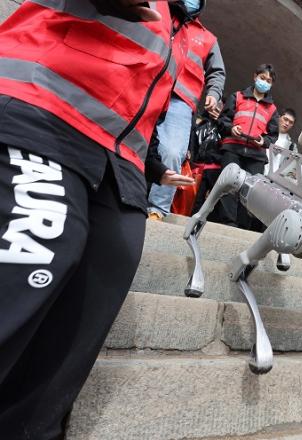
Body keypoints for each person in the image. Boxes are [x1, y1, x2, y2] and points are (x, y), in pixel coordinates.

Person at [0, 1, 195, 437]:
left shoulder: (179, 28)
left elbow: (132, 96)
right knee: (43, 248)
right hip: (42, 112)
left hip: (119, 163)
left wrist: (154, 167)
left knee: (99, 287)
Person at [147, 0, 225, 221]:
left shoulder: (208, 38)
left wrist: (214, 93)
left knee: (172, 152)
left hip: (180, 100)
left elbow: (217, 73)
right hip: (149, 86)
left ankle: (156, 209)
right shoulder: (160, 14)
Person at [215, 64, 280, 230]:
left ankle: (243, 226)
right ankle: (227, 223)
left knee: (250, 191)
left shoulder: (272, 109)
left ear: (272, 85)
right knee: (228, 186)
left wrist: (263, 141)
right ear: (255, 76)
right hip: (233, 149)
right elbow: (222, 120)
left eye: (269, 81)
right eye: (262, 78)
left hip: (255, 155)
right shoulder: (237, 97)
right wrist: (231, 129)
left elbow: (273, 136)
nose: (264, 82)